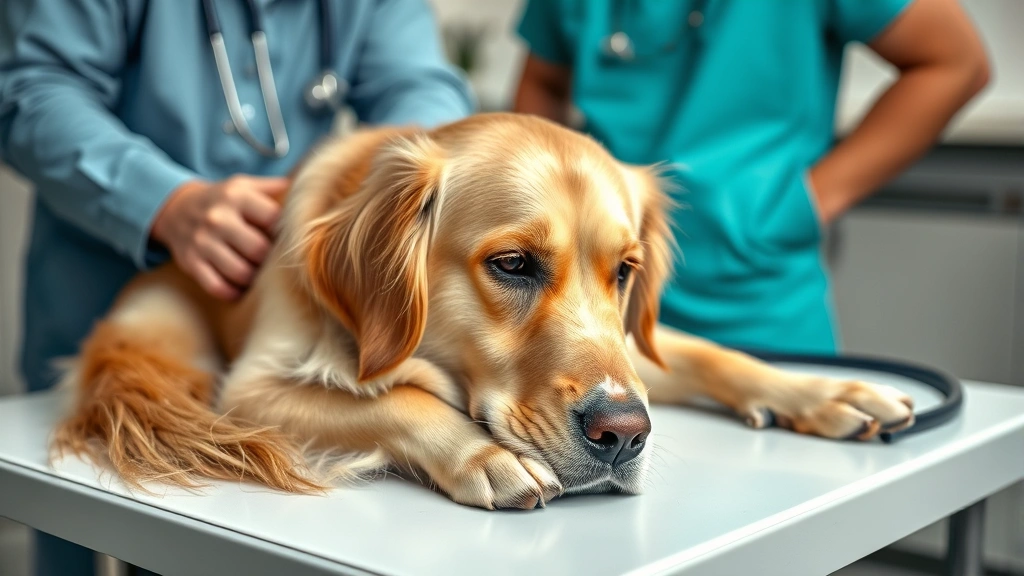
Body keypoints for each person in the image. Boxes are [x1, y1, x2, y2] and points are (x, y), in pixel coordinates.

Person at [0, 1, 472, 574]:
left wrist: (412, 183)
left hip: (258, 317)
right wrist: (164, 204)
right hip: (97, 285)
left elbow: (421, 91)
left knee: (213, 530)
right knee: (72, 512)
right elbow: (32, 90)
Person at [514, 0, 989, 354]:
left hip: (754, 303)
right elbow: (544, 80)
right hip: (597, 310)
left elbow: (955, 61)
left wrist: (806, 204)